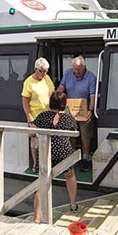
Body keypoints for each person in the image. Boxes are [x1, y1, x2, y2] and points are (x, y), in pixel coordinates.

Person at [32, 92, 79, 221]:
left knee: (40, 184)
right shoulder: (69, 119)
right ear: (65, 104)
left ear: (50, 103)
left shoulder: (42, 116)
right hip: (63, 151)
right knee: (70, 176)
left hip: (45, 151)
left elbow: (32, 133)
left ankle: (36, 218)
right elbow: (75, 133)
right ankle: (73, 205)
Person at [56, 56, 97, 172]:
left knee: (85, 136)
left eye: (78, 69)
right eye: (74, 69)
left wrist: (90, 110)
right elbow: (61, 88)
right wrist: (56, 99)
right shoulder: (68, 73)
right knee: (71, 134)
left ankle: (85, 158)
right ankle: (72, 158)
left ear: (84, 67)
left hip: (84, 110)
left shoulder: (91, 77)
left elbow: (92, 96)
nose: (76, 71)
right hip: (70, 110)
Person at [22, 57, 55, 169]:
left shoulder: (47, 78)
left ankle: (48, 162)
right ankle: (37, 164)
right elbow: (25, 100)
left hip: (49, 115)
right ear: (36, 69)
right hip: (36, 116)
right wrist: (30, 118)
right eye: (42, 71)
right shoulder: (28, 82)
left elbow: (52, 93)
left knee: (48, 141)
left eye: (46, 71)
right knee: (35, 141)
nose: (44, 73)